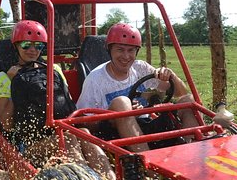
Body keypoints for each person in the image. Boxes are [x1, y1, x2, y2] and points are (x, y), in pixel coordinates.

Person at [0, 20, 114, 180]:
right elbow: (6, 124)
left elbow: (68, 105)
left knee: (84, 134)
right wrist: (14, 82)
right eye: (26, 45)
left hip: (60, 131)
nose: (32, 50)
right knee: (69, 139)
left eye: (38, 46)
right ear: (16, 45)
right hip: (28, 144)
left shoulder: (54, 70)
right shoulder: (5, 77)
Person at [76, 23, 198, 152]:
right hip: (115, 135)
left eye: (131, 50)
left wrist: (170, 75)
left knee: (188, 100)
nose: (126, 56)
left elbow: (181, 94)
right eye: (120, 50)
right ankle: (147, 167)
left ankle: (191, 156)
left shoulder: (140, 68)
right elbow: (83, 122)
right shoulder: (95, 79)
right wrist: (119, 114)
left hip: (145, 126)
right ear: (109, 49)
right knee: (121, 103)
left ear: (137, 51)